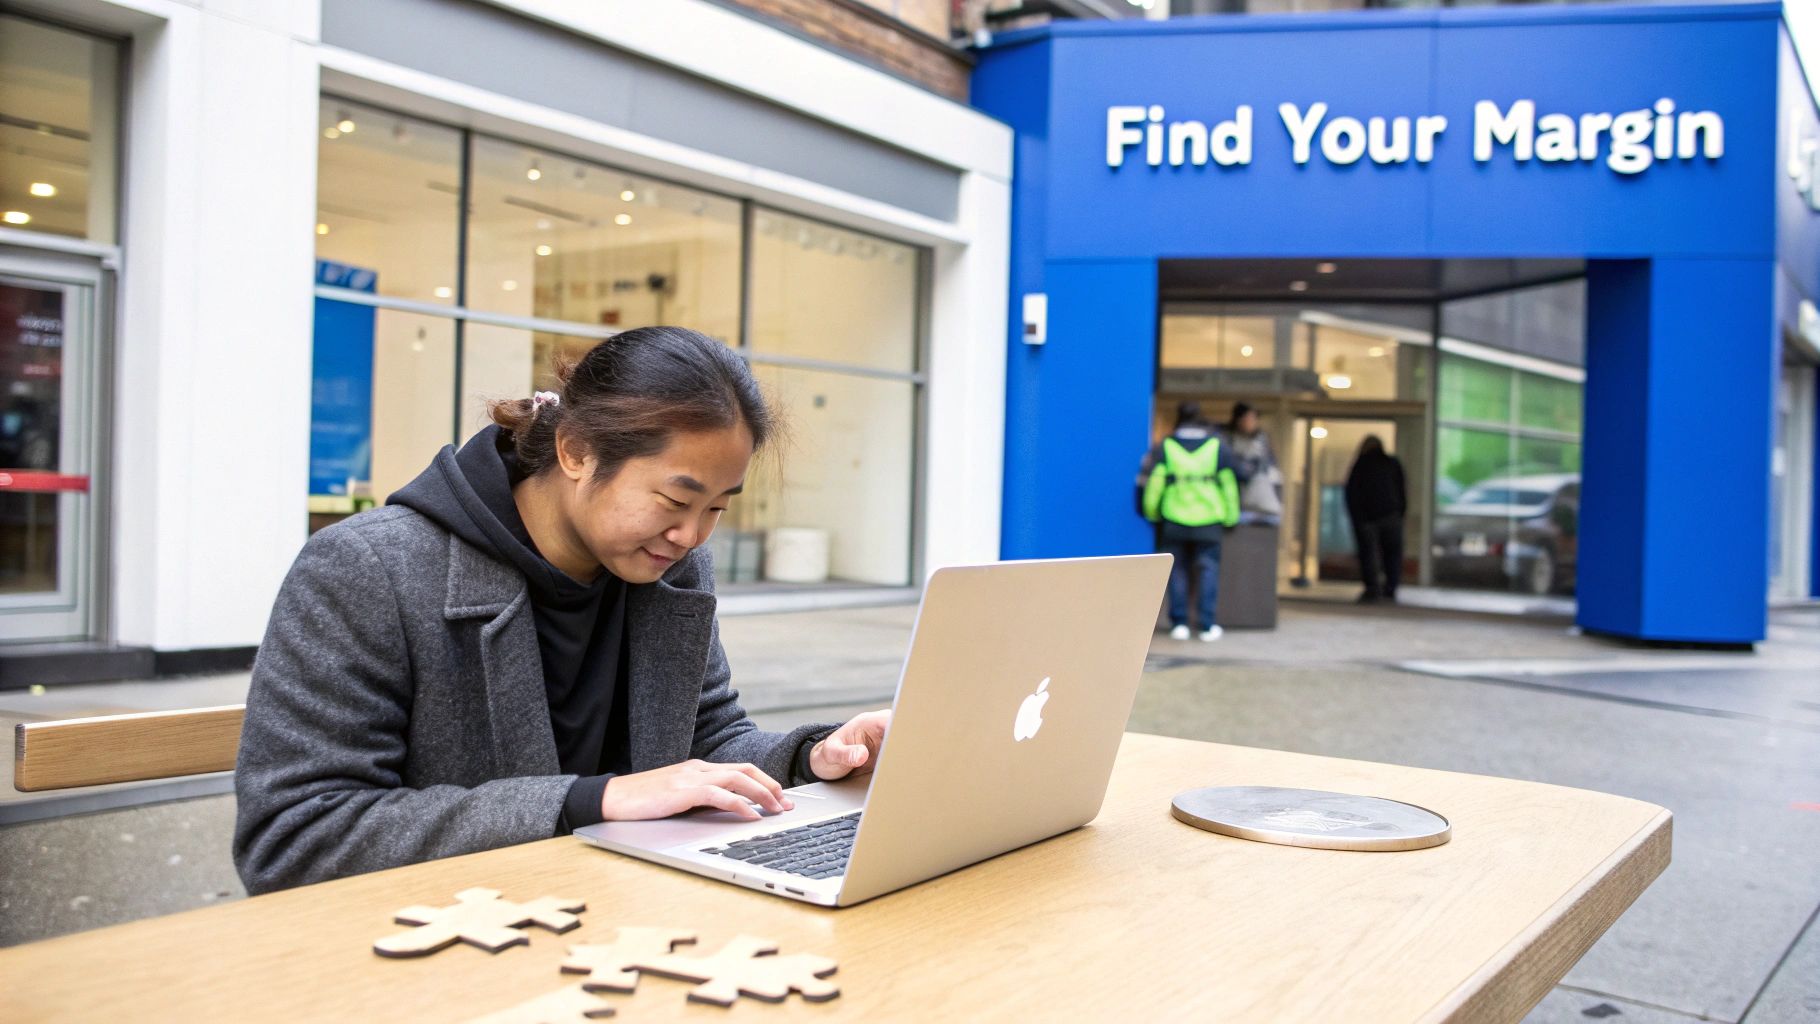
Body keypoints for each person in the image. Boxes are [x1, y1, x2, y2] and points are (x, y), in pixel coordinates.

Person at [233, 326, 891, 895]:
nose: (691, 536)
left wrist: (815, 756)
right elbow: (294, 838)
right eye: (673, 499)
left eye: (717, 507)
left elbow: (708, 742)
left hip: (615, 923)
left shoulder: (672, 569)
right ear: (576, 450)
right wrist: (591, 802)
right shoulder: (368, 569)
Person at [1136, 401, 1247, 641]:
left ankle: (1180, 624)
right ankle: (1207, 625)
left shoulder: (1166, 446)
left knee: (1177, 572)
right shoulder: (1217, 447)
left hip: (1173, 519)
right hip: (1209, 520)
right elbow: (1229, 484)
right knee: (1208, 570)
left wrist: (1152, 513)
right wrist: (1231, 517)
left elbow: (1154, 484)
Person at [1343, 435, 1407, 604]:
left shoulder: (1361, 465)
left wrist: (1357, 517)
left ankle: (1372, 589)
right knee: (1392, 554)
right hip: (1391, 516)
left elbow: (1352, 492)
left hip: (1367, 519)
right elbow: (1402, 490)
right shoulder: (1392, 464)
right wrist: (1400, 513)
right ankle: (1391, 589)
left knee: (1368, 554)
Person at [1224, 402, 1282, 525]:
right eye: (1248, 418)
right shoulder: (1227, 439)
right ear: (1238, 420)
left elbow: (1269, 466)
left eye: (1253, 419)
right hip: (1234, 497)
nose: (1251, 422)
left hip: (1260, 500)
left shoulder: (1261, 439)